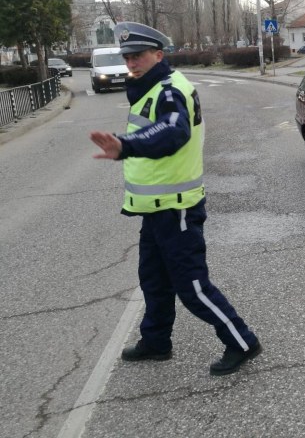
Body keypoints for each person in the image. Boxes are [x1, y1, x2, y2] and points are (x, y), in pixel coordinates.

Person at [90, 22, 261, 376]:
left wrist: (126, 146)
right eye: (128, 57)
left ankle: (242, 342)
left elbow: (174, 131)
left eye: (138, 55)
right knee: (153, 280)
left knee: (192, 286)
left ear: (159, 54)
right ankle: (156, 342)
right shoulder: (150, 88)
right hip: (156, 209)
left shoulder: (168, 90)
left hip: (177, 208)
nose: (132, 63)